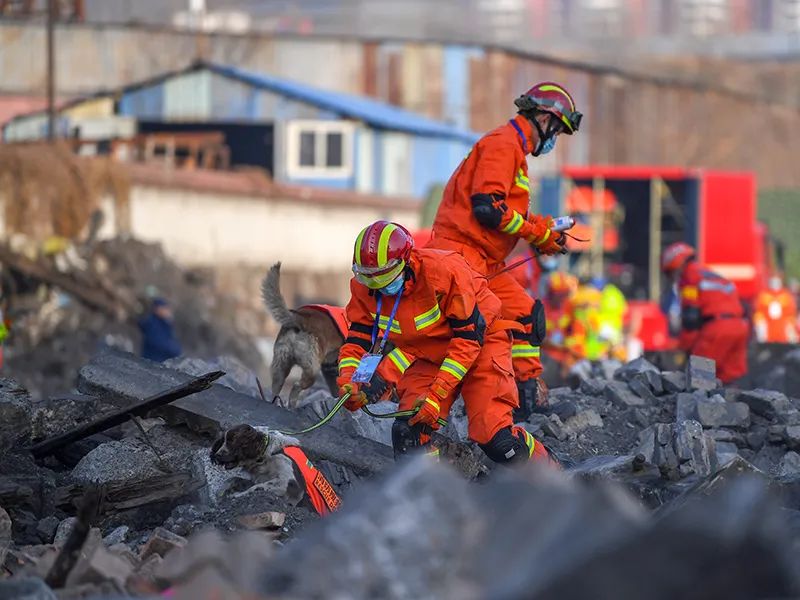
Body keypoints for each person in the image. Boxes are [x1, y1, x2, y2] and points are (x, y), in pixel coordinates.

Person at [337, 221, 556, 466]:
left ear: (406, 263)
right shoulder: (365, 287)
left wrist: (436, 395)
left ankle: (550, 473)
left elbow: (467, 341)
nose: (378, 287)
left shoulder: (443, 273)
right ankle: (434, 492)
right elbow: (357, 339)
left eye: (384, 278)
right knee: (409, 431)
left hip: (482, 344)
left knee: (497, 441)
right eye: (370, 279)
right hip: (431, 353)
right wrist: (349, 380)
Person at [427, 81, 582, 418]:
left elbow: (510, 212)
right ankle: (459, 409)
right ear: (544, 118)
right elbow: (487, 208)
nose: (556, 138)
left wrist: (542, 232)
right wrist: (534, 233)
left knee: (527, 316)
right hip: (460, 256)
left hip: (484, 260)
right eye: (558, 129)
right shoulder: (503, 145)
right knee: (474, 331)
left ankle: (527, 403)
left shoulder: (514, 152)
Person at [661, 242, 748, 383]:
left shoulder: (689, 277)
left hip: (718, 328)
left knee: (699, 378)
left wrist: (684, 347)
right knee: (730, 378)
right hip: (740, 327)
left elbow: (691, 317)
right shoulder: (711, 274)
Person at [753, 275, 799, 344]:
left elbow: (791, 314)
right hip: (768, 332)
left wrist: (791, 331)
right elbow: (759, 314)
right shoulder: (764, 296)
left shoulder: (786, 296)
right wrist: (761, 329)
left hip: (783, 333)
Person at [139, 297, 182, 363]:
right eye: (165, 308)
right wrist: (175, 351)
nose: (168, 311)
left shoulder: (165, 323)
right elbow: (158, 342)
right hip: (153, 361)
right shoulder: (152, 323)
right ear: (157, 309)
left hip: (162, 361)